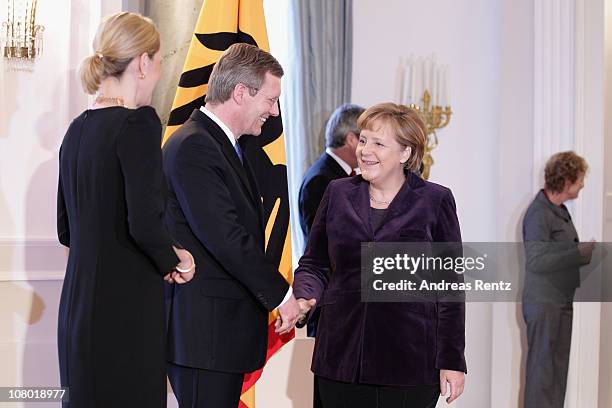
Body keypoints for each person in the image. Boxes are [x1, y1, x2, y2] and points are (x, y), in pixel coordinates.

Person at [56, 12, 195, 408]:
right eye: (160, 64)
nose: (158, 75)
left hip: (77, 314)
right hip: (124, 316)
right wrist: (177, 259)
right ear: (143, 62)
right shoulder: (138, 124)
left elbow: (66, 230)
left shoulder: (77, 129)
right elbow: (144, 223)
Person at [292, 102, 466, 407]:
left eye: (378, 143)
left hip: (410, 363)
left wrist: (452, 359)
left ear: (405, 153)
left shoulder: (435, 201)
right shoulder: (336, 192)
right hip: (341, 358)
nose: (364, 150)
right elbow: (315, 263)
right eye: (362, 140)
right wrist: (305, 295)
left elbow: (450, 287)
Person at [162, 43, 300, 407]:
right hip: (205, 339)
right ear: (240, 93)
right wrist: (281, 295)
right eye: (270, 100)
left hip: (218, 339)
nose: (273, 112)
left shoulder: (226, 145)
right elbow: (225, 237)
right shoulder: (195, 146)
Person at [298, 103, 364, 408]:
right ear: (351, 139)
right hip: (332, 309)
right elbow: (324, 252)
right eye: (366, 139)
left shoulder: (340, 178)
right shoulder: (322, 181)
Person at [522, 151, 594, 408]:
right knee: (541, 374)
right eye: (580, 179)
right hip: (543, 303)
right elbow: (536, 259)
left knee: (557, 372)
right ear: (566, 181)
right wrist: (576, 253)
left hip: (561, 301)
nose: (583, 184)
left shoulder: (559, 210)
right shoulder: (538, 213)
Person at [298, 103, 364, 243]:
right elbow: (325, 243)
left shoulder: (342, 174)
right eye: (365, 140)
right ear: (351, 139)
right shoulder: (319, 181)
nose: (371, 149)